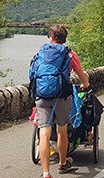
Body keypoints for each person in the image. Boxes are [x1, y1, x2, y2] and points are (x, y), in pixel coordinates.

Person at [31, 25, 89, 178]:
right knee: (62, 130)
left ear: (50, 37)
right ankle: (63, 163)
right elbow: (83, 78)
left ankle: (46, 173)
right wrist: (84, 84)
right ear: (65, 38)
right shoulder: (70, 55)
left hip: (42, 96)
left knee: (44, 133)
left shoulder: (40, 53)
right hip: (62, 98)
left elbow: (32, 74)